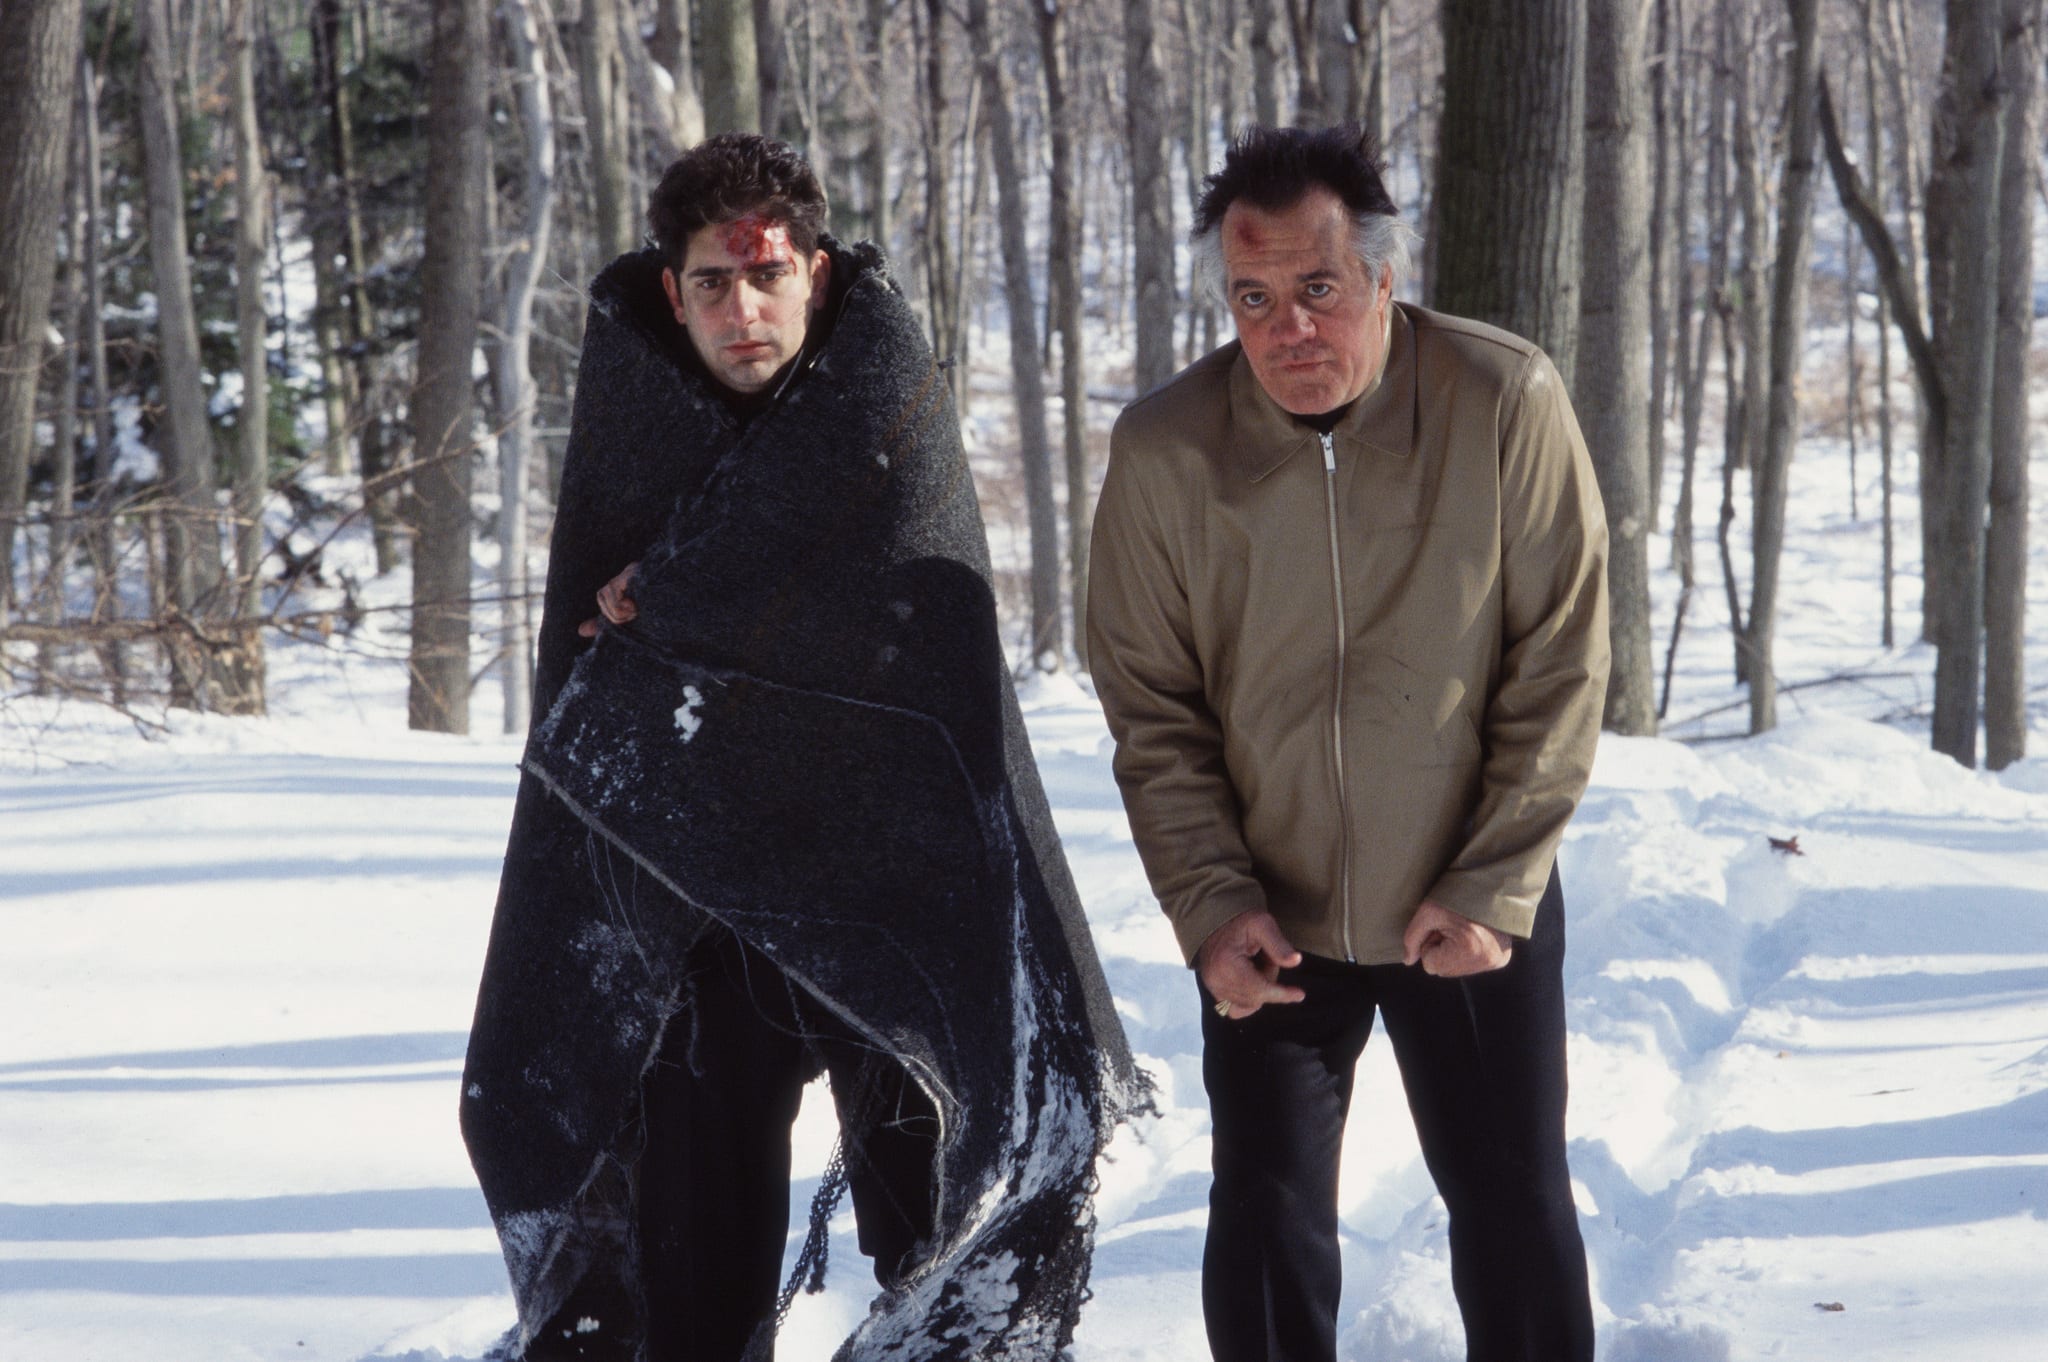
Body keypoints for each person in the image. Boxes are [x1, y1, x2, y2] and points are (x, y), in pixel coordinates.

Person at [461, 133, 1140, 1362]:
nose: (742, 310)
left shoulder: (885, 401)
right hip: (697, 918)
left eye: (767, 275)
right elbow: (592, 674)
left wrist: (678, 599)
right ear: (674, 291)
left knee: (934, 1253)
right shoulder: (633, 417)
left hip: (893, 905)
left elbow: (917, 648)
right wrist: (646, 630)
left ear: (813, 275)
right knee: (694, 1281)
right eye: (712, 283)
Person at [1087, 123, 1608, 1362]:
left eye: (1317, 289)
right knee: (1263, 1219)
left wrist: (1490, 887)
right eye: (1252, 299)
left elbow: (1560, 662)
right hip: (1270, 910)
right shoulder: (1164, 449)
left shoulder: (1500, 397)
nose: (1288, 330)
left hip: (1464, 899)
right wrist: (1211, 905)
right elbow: (1152, 707)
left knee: (1513, 1209)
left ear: (1382, 275)